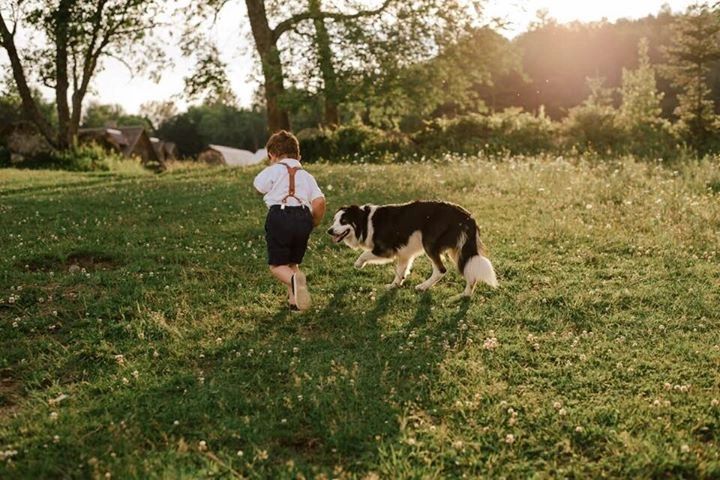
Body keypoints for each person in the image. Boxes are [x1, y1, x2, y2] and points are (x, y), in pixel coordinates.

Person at [253, 130, 326, 311]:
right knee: (292, 263)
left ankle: (296, 282)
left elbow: (258, 186)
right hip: (303, 218)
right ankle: (295, 304)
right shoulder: (307, 176)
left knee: (277, 265)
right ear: (299, 155)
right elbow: (319, 202)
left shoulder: (273, 169)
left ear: (271, 155)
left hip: (280, 216)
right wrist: (312, 222)